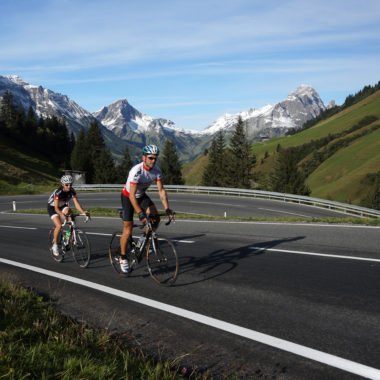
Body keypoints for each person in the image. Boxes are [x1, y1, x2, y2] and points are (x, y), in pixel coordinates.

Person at [120, 144, 175, 273]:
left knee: (155, 219)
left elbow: (161, 190)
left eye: (155, 158)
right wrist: (140, 213)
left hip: (141, 196)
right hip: (128, 197)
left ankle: (142, 241)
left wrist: (167, 208)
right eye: (150, 158)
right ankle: (122, 257)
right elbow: (132, 196)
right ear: (143, 157)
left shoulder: (157, 171)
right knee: (128, 228)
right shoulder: (136, 171)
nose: (153, 161)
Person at [47, 174, 88, 256]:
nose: (69, 186)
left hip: (62, 206)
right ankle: (55, 245)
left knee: (71, 217)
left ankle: (68, 237)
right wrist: (61, 215)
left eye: (70, 184)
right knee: (59, 226)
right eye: (67, 185)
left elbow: (76, 204)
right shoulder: (58, 192)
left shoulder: (72, 191)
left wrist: (83, 212)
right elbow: (56, 209)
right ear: (62, 184)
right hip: (53, 208)